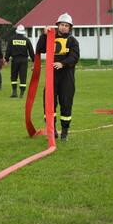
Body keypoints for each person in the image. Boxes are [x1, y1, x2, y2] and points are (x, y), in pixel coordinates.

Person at [36, 13, 80, 141]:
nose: (64, 27)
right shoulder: (50, 38)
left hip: (67, 77)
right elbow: (39, 49)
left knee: (66, 103)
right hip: (52, 77)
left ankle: (65, 131)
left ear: (70, 28)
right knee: (49, 103)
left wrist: (63, 63)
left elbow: (75, 57)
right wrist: (44, 35)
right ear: (58, 25)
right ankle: (52, 130)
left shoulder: (72, 41)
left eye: (66, 25)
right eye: (62, 25)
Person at [5, 24, 35, 98]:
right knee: (23, 76)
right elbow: (31, 51)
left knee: (14, 76)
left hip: (15, 60)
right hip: (24, 60)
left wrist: (6, 59)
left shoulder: (11, 39)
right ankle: (22, 93)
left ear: (16, 31)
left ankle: (14, 92)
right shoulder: (27, 40)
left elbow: (8, 50)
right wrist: (34, 61)